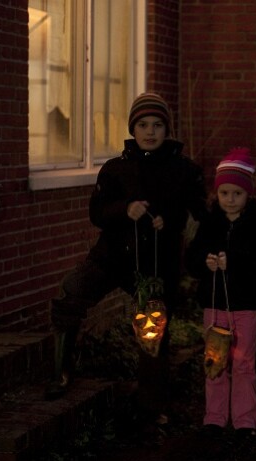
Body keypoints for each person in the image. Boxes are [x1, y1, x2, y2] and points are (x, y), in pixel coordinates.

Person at [45, 93, 207, 427]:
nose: (150, 131)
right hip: (112, 256)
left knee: (153, 331)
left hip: (155, 266)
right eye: (143, 125)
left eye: (157, 125)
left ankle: (152, 404)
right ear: (133, 128)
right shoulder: (115, 168)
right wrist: (125, 210)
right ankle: (61, 372)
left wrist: (169, 221)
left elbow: (197, 213)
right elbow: (97, 213)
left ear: (166, 129)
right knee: (69, 294)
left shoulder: (184, 170)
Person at [185, 147, 256, 439]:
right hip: (215, 307)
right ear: (217, 193)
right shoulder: (208, 224)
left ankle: (245, 419)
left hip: (245, 306)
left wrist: (234, 262)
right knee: (215, 361)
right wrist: (205, 263)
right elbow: (190, 259)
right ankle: (214, 417)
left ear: (248, 194)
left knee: (243, 363)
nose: (230, 199)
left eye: (237, 193)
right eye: (224, 193)